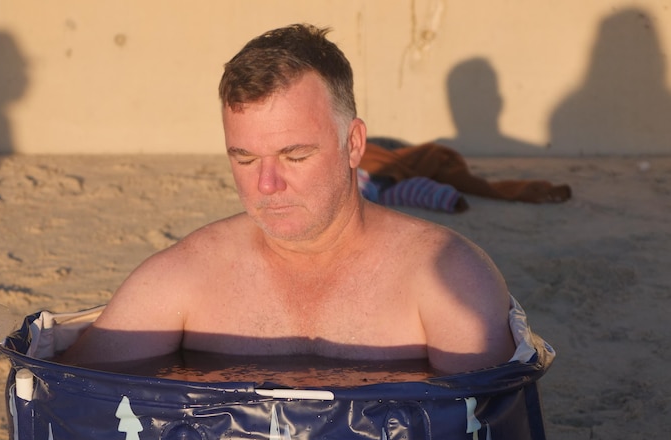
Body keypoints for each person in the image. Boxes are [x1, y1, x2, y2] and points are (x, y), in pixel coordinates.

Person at [61, 24, 515, 375]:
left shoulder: (446, 278)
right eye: (244, 159)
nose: (266, 185)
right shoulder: (183, 278)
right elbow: (67, 394)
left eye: (294, 155)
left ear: (354, 143)